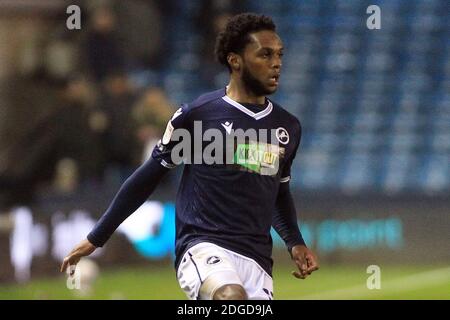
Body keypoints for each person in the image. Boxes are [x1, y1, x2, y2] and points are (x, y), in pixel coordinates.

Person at [61, 13, 319, 300]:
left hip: (256, 258)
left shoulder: (287, 127)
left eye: (279, 55)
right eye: (265, 55)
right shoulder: (196, 116)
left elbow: (278, 192)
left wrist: (295, 242)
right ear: (235, 61)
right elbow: (147, 177)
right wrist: (97, 237)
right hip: (203, 245)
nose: (276, 63)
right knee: (231, 298)